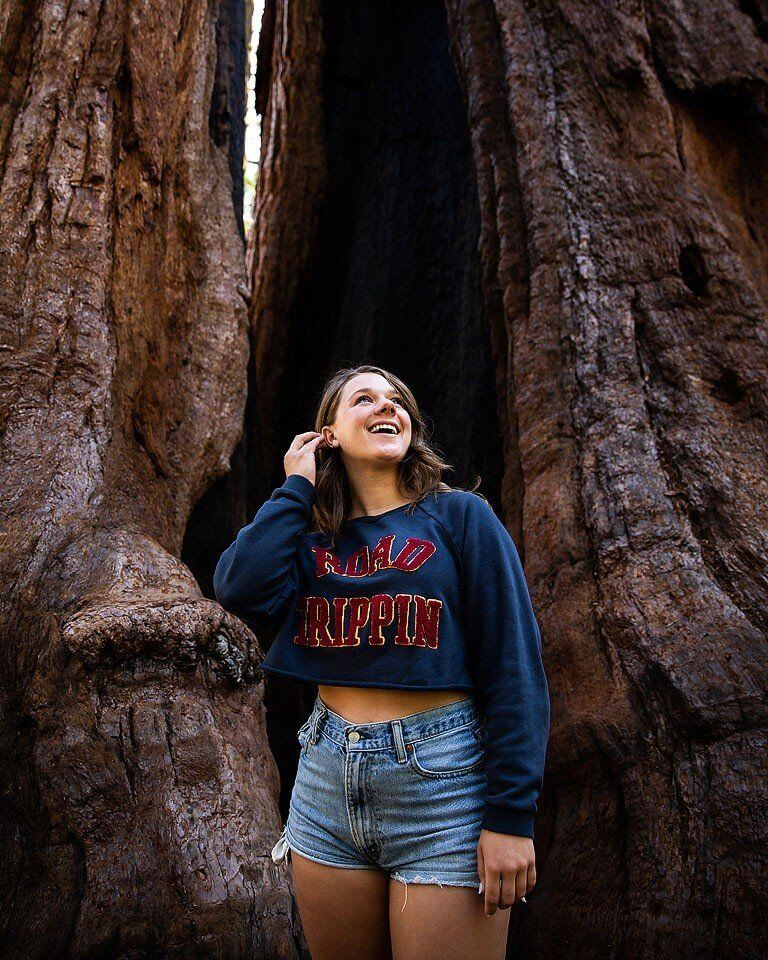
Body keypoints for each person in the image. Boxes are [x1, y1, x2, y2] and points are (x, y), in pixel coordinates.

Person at [213, 364, 551, 960]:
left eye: (397, 400)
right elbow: (239, 586)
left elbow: (514, 666)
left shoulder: (461, 518)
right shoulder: (310, 537)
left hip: (442, 783)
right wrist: (297, 486)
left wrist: (511, 815)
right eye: (363, 399)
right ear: (329, 435)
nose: (385, 407)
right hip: (325, 780)